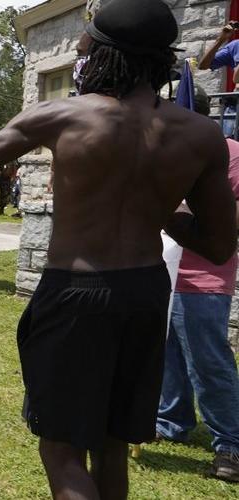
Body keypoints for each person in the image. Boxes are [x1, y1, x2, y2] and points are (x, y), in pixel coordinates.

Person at [0, 0, 238, 496]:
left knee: (61, 449)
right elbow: (217, 244)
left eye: (86, 47)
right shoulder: (202, 136)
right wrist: (159, 206)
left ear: (106, 55)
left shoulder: (63, 114)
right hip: (145, 294)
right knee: (111, 445)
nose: (81, 55)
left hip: (77, 295)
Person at [156, 92, 239, 483]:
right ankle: (172, 420)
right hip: (162, 268)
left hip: (204, 277)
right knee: (167, 352)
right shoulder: (165, 153)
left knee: (208, 361)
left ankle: (231, 442)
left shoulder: (232, 153)